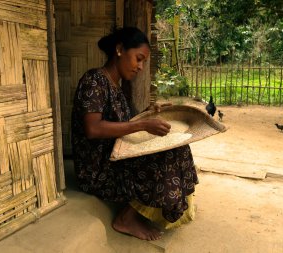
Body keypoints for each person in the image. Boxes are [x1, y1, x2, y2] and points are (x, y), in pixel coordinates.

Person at [71, 27, 199, 241]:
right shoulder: (94, 81)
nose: (140, 67)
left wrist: (149, 114)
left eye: (143, 62)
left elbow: (124, 124)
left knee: (177, 146)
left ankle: (155, 210)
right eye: (138, 59)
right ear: (120, 49)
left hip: (117, 159)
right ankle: (125, 219)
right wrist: (142, 126)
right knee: (165, 158)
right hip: (97, 170)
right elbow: (93, 129)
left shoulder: (117, 89)